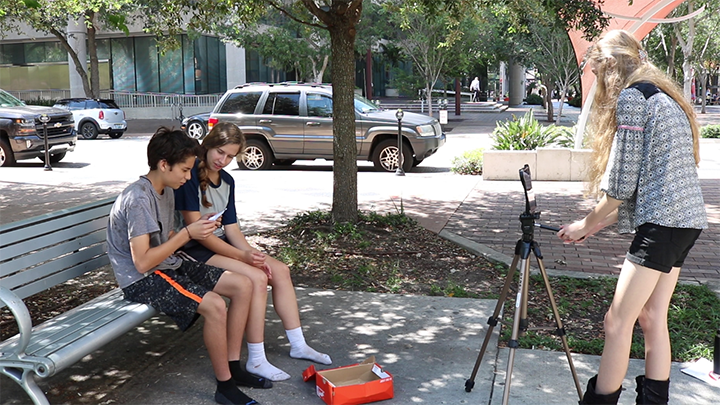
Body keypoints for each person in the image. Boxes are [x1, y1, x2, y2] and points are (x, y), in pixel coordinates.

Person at [558, 30, 707, 405]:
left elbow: (621, 187)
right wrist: (594, 226)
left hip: (664, 226)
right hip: (685, 224)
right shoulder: (664, 97)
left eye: (595, 72)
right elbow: (651, 184)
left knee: (616, 322)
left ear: (609, 67)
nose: (596, 84)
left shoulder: (633, 97)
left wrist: (584, 224)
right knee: (652, 319)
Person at [106, 127, 262, 405]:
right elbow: (142, 262)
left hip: (167, 264)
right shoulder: (139, 198)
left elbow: (165, 238)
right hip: (144, 278)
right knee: (215, 305)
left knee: (243, 284)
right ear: (164, 164)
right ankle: (225, 388)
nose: (189, 177)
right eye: (185, 170)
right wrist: (187, 235)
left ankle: (234, 367)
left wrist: (198, 231)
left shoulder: (164, 189)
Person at [174, 122, 332, 382]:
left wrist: (252, 254)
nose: (222, 160)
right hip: (194, 249)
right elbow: (197, 233)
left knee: (278, 269)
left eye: (229, 156)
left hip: (220, 243)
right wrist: (243, 258)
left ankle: (298, 344)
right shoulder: (190, 176)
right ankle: (256, 359)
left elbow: (232, 229)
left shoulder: (227, 181)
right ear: (209, 145)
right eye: (219, 152)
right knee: (257, 278)